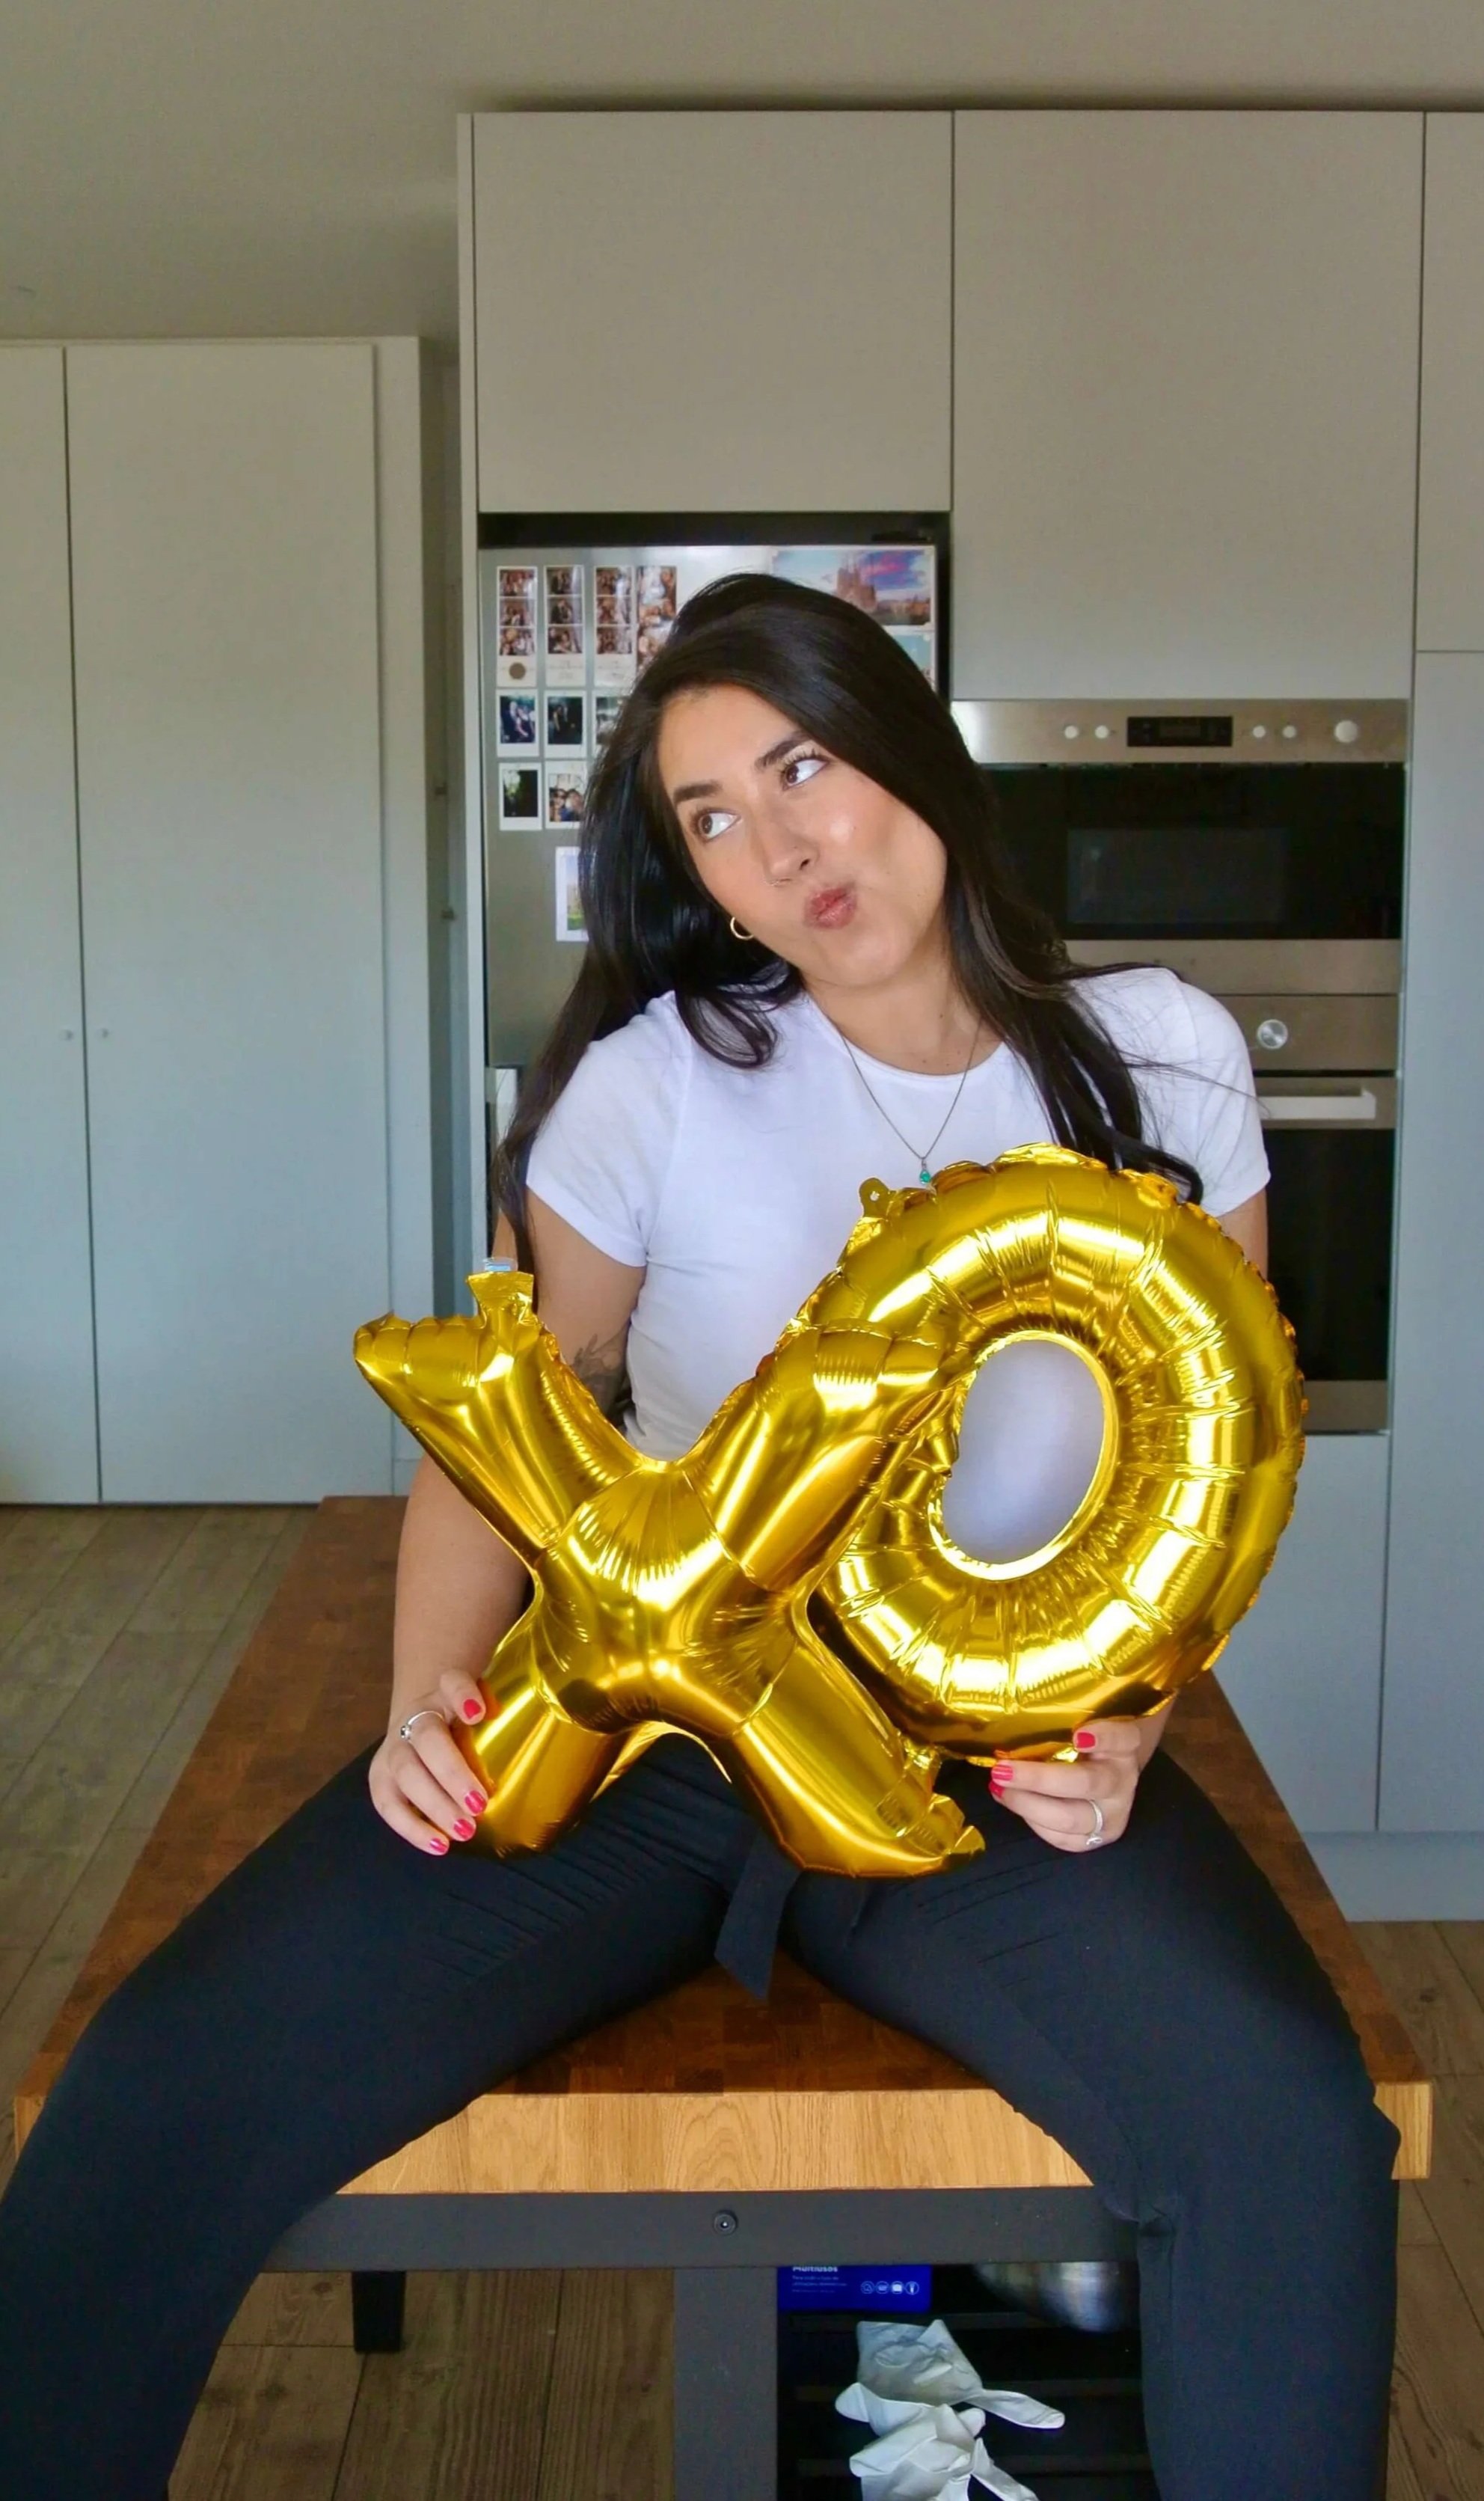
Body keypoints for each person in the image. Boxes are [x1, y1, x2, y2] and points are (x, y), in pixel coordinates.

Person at [0, 576, 1397, 2500]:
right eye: (713, 818)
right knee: (149, 2094)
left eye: (799, 765)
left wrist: (1134, 1720)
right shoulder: (658, 1081)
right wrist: (427, 1694)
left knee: (1285, 2133)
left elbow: (1211, 1464)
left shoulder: (1156, 1056)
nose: (778, 841)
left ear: (901, 744)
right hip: (633, 1741)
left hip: (969, 1768)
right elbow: (515, 1434)